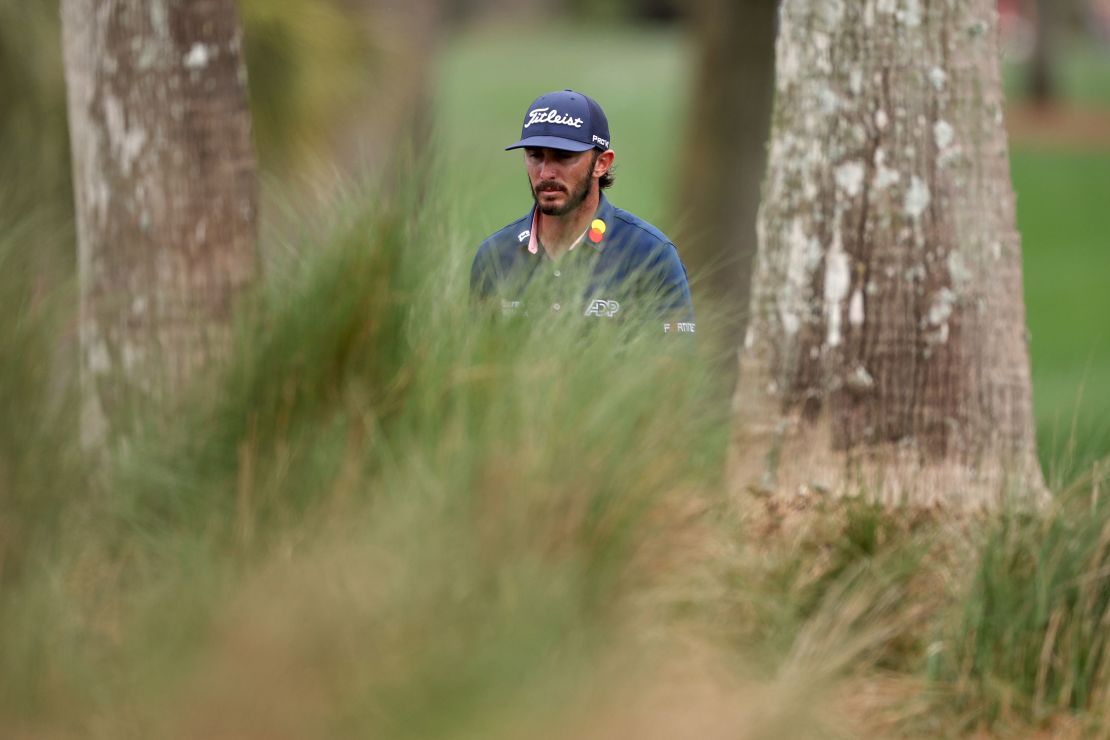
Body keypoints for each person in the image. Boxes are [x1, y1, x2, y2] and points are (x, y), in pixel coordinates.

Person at [470, 89, 695, 336]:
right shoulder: (494, 256)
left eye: (564, 157)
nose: (545, 173)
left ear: (602, 163)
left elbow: (674, 368)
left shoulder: (650, 255)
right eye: (535, 156)